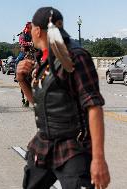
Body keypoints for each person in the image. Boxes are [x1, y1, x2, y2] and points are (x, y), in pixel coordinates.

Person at [17, 7, 110, 189]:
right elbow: (40, 105)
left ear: (37, 31)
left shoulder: (75, 57)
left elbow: (94, 106)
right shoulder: (43, 59)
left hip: (73, 147)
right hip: (44, 145)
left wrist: (99, 159)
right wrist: (22, 80)